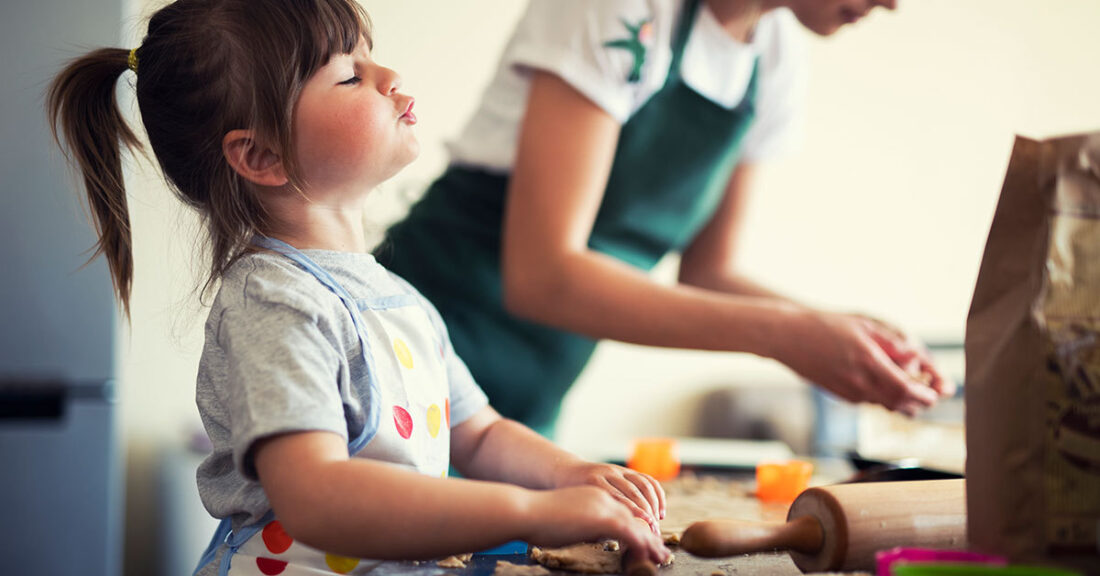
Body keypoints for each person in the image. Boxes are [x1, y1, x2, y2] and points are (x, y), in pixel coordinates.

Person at [46, 1, 672, 574]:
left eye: (369, 57)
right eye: (349, 75)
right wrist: (531, 512)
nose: (389, 76)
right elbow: (316, 498)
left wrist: (572, 475)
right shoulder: (273, 300)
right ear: (263, 156)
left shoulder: (401, 300)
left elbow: (478, 433)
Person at [377, 0, 955, 437]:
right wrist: (787, 335)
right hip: (413, 360)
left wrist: (845, 336)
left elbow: (710, 271)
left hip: (526, 408)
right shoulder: (620, 10)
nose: (893, 4)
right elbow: (543, 277)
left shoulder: (774, 56)